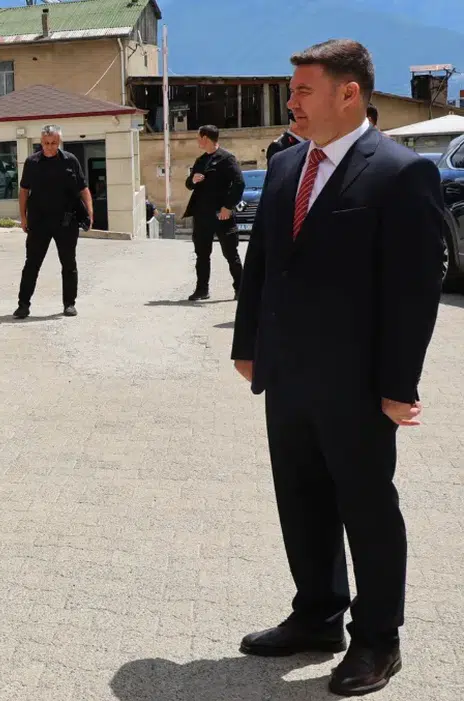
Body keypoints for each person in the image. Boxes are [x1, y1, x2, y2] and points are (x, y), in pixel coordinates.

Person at [231, 39, 447, 697]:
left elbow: (414, 288)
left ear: (348, 92)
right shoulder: (288, 164)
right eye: (290, 90)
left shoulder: (401, 171)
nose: (290, 101)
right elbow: (263, 264)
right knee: (301, 501)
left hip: (355, 384)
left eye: (303, 89)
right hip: (287, 374)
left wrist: (397, 385)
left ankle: (378, 638)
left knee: (366, 506)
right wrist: (248, 345)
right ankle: (317, 613)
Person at [13, 125, 93, 319]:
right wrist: (23, 217)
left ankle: (69, 304)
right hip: (39, 222)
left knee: (68, 264)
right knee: (32, 264)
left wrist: (90, 212)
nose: (49, 147)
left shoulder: (70, 161)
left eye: (53, 143)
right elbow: (24, 191)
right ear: (41, 142)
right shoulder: (32, 162)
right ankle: (23, 305)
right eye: (46, 143)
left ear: (59, 142)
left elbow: (83, 188)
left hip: (66, 222)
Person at [182, 125, 245, 301]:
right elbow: (189, 184)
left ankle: (241, 289)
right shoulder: (201, 160)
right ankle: (202, 289)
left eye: (198, 137)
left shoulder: (227, 159)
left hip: (222, 214)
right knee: (202, 255)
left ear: (205, 138)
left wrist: (228, 207)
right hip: (202, 215)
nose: (197, 141)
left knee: (231, 253)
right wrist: (192, 180)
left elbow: (239, 183)